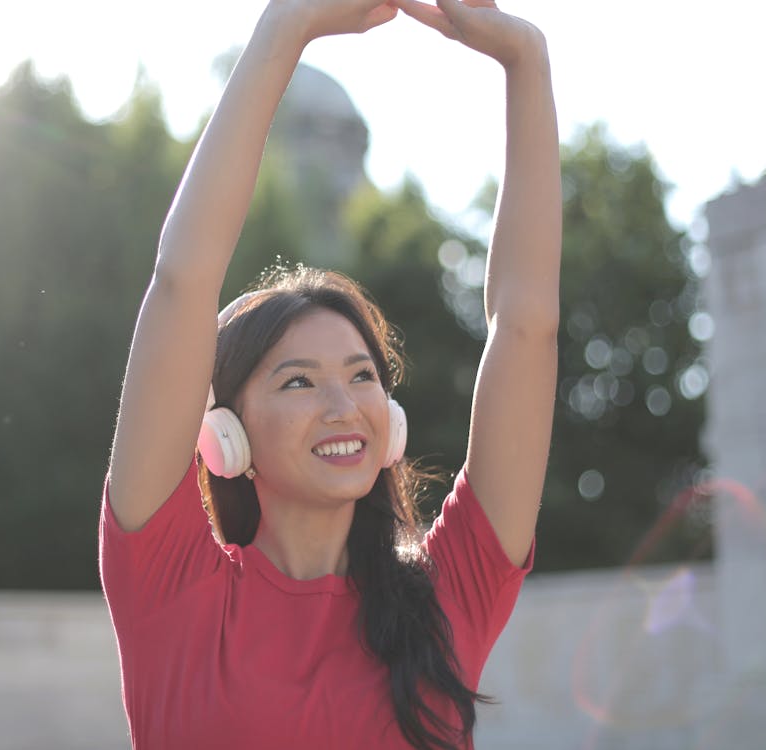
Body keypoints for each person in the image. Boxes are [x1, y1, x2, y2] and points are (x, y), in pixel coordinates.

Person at [99, 1, 560, 748]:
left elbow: (527, 327)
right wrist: (285, 26)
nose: (343, 405)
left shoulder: (447, 598)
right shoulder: (170, 586)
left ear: (390, 421)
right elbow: (183, 277)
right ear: (224, 433)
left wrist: (524, 61)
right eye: (297, 382)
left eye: (361, 376)